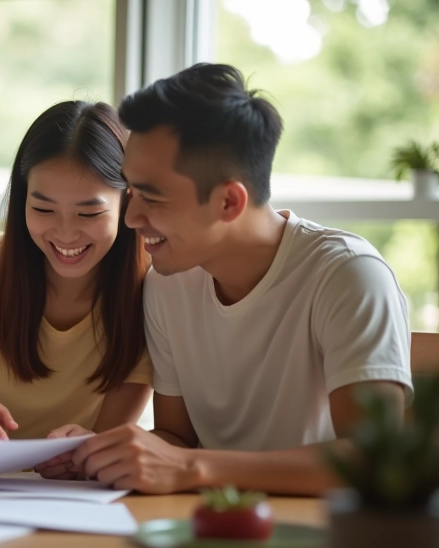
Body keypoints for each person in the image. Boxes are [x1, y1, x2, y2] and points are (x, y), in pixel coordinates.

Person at [70, 63, 411, 495]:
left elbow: (372, 459)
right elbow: (178, 439)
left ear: (229, 201)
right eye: (130, 191)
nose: (131, 217)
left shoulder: (348, 275)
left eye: (152, 198)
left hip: (317, 529)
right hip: (209, 520)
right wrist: (100, 454)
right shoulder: (166, 284)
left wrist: (195, 467)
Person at [0, 101, 153, 478]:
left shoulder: (150, 289)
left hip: (88, 493)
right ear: (22, 199)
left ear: (128, 201)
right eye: (43, 209)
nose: (65, 233)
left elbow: (110, 442)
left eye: (89, 213)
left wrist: (90, 448)